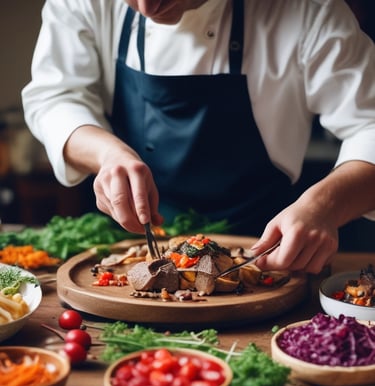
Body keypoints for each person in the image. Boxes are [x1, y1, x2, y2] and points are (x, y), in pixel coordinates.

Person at [22, 0, 375, 274]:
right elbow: (56, 96)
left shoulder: (307, 11)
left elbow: (369, 125)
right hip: (128, 247)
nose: (148, 8)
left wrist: (324, 205)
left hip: (266, 250)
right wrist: (106, 153)